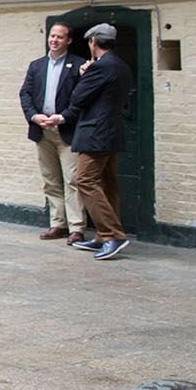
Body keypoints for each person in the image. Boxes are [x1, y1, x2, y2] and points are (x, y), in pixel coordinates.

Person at [51, 23, 134, 261]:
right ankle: (102, 236)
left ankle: (111, 235)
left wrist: (85, 74)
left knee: (85, 180)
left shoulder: (100, 67)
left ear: (94, 42)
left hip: (95, 133)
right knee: (107, 185)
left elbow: (78, 96)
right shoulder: (121, 65)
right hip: (111, 132)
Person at [18, 22, 85, 243]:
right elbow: (25, 94)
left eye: (59, 37)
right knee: (51, 180)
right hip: (42, 131)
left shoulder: (78, 65)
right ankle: (58, 224)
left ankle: (77, 227)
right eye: (52, 36)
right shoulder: (36, 66)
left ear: (69, 40)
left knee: (72, 180)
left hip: (66, 131)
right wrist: (34, 116)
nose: (54, 40)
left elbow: (81, 98)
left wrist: (63, 116)